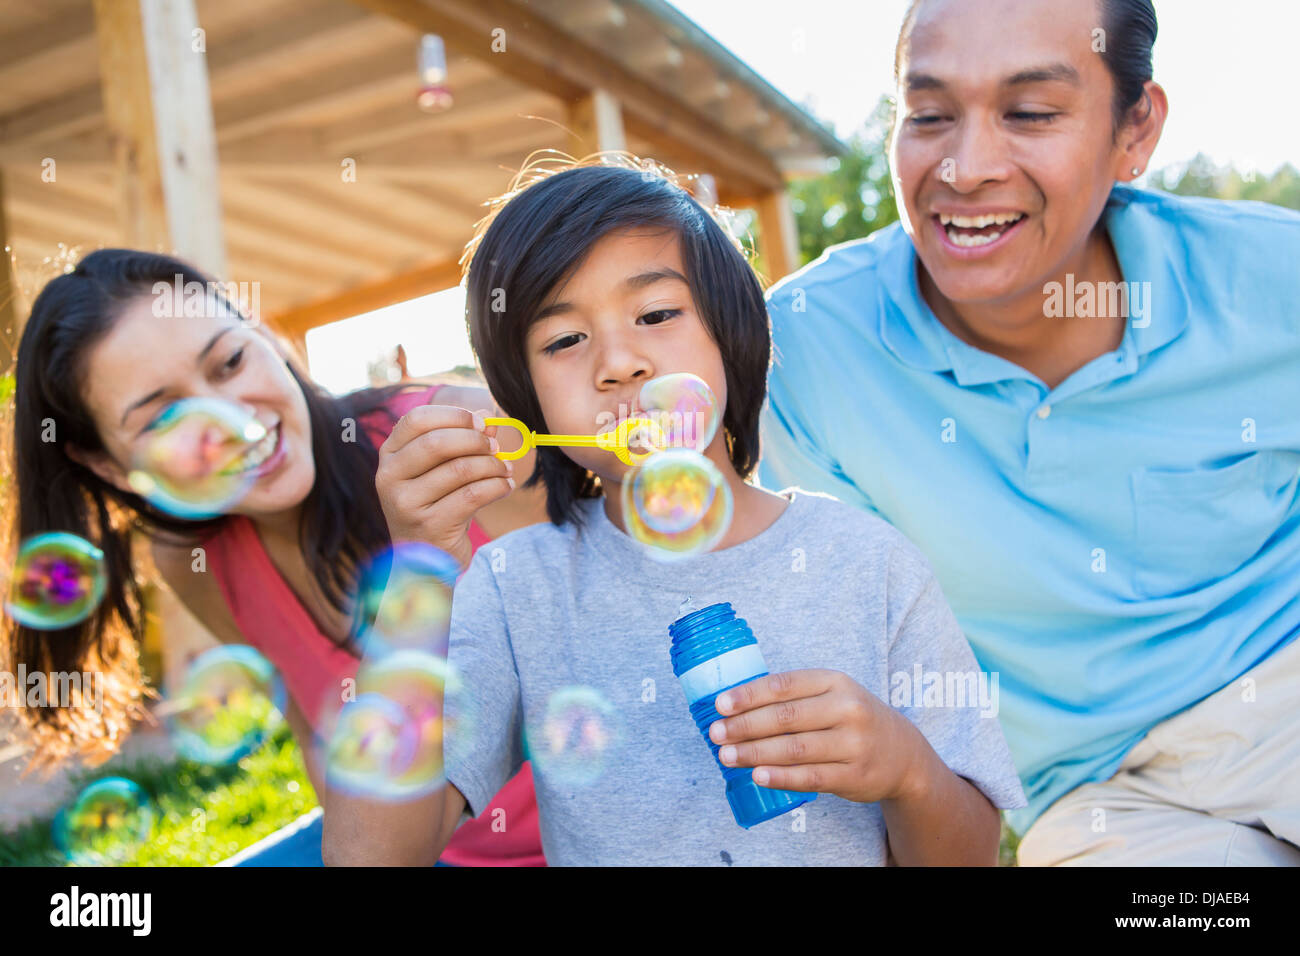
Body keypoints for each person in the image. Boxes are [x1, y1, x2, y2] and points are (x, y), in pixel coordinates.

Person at [323, 158, 1026, 867]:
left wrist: (905, 769)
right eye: (565, 340)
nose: (620, 363)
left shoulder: (870, 564)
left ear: (732, 334)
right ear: (526, 401)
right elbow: (368, 856)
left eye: (656, 314)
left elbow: (972, 855)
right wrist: (422, 566)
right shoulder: (517, 590)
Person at [759, 0, 1300, 865]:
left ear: (1135, 132)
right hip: (1104, 804)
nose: (966, 168)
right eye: (929, 116)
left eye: (1032, 113)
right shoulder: (804, 357)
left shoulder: (1274, 280)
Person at [3, 249, 549, 866]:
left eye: (231, 360)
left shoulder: (460, 442)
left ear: (261, 334)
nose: (232, 422)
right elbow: (327, 754)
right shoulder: (196, 561)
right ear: (109, 466)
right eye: (165, 418)